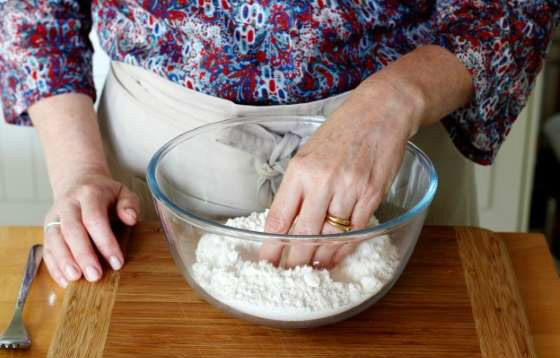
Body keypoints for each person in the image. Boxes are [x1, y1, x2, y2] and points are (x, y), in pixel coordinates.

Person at [1, 1, 558, 288]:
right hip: (147, 168)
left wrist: (393, 101)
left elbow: (511, 8)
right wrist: (78, 171)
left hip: (391, 156)